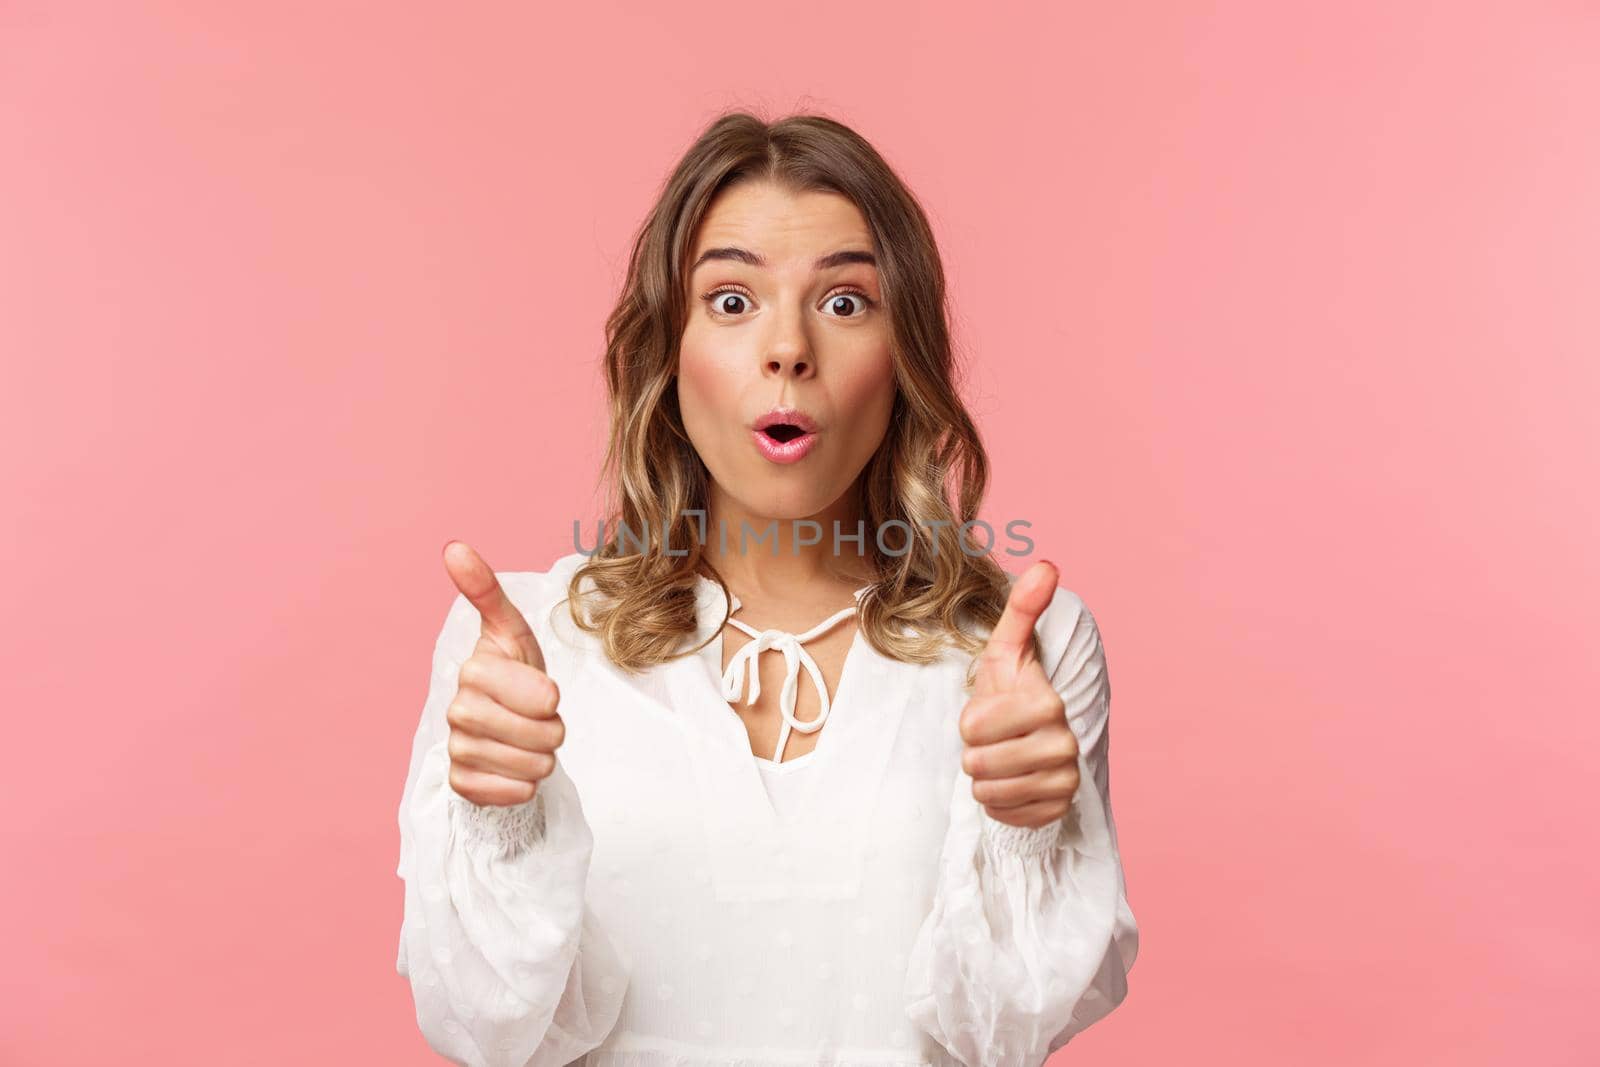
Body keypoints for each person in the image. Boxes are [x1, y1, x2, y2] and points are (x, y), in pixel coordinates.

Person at [395, 111, 1138, 1067]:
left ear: (903, 355)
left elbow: (1010, 1033)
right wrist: (500, 817)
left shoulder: (1019, 653)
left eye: (844, 303)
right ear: (668, 351)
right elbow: (485, 1030)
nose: (788, 349)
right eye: (734, 300)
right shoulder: (519, 648)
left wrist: (1028, 832)